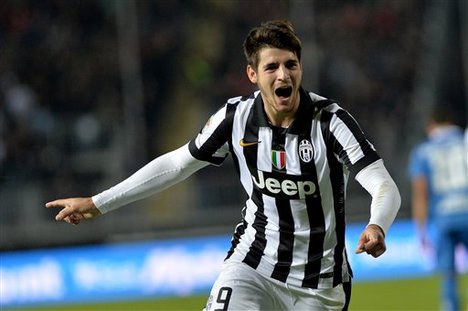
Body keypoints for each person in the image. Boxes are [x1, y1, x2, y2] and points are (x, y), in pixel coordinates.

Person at [46, 20, 401, 310]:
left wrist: (377, 226)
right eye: (271, 67)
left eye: (290, 65)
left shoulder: (330, 122)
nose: (283, 76)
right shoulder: (236, 118)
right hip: (253, 265)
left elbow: (383, 185)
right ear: (252, 74)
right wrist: (99, 202)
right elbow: (177, 164)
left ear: (300, 68)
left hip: (320, 285)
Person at [408, 105, 468, 311]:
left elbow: (420, 193)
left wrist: (421, 230)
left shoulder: (423, 151)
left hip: (444, 218)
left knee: (448, 276)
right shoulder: (464, 141)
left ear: (431, 125)